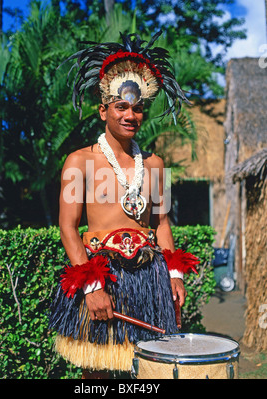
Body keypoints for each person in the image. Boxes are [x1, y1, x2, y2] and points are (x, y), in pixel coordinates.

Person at [49, 31, 199, 379]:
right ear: (103, 110)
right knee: (98, 375)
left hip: (151, 279)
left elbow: (161, 223)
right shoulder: (79, 162)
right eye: (121, 107)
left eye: (138, 108)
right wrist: (92, 286)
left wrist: (174, 275)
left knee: (150, 371)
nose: (131, 115)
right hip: (104, 279)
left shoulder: (156, 165)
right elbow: (68, 227)